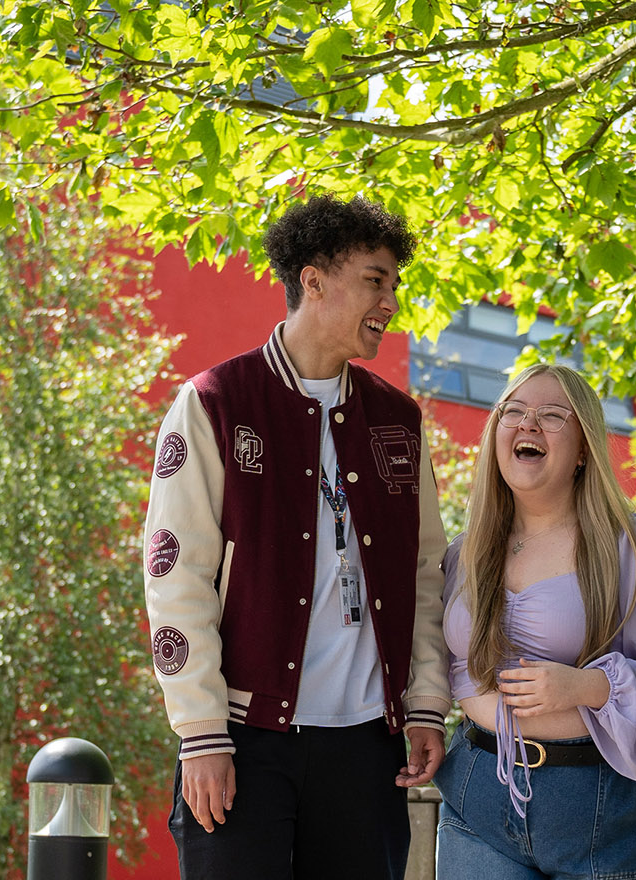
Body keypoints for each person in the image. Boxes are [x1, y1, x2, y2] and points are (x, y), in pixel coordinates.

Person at [141, 194, 451, 880]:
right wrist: (201, 732)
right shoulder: (214, 403)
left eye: (394, 284)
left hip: (368, 747)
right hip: (243, 740)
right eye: (375, 280)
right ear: (314, 280)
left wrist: (427, 704)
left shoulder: (398, 420)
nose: (390, 302)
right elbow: (175, 574)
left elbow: (426, 573)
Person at [434, 363, 636, 879]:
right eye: (514, 411)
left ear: (582, 451)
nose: (528, 424)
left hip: (601, 807)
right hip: (478, 793)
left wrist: (589, 687)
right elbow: (445, 662)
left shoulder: (634, 545)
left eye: (552, 415)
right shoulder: (465, 552)